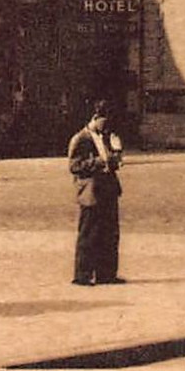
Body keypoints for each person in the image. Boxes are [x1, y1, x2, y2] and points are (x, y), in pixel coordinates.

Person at [68, 102, 124, 286]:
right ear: (95, 118)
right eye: (104, 121)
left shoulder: (107, 137)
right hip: (91, 191)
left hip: (108, 189)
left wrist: (116, 153)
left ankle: (106, 273)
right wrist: (99, 161)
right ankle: (82, 274)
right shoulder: (80, 138)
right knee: (89, 233)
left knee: (110, 232)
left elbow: (113, 163)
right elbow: (75, 166)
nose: (106, 126)